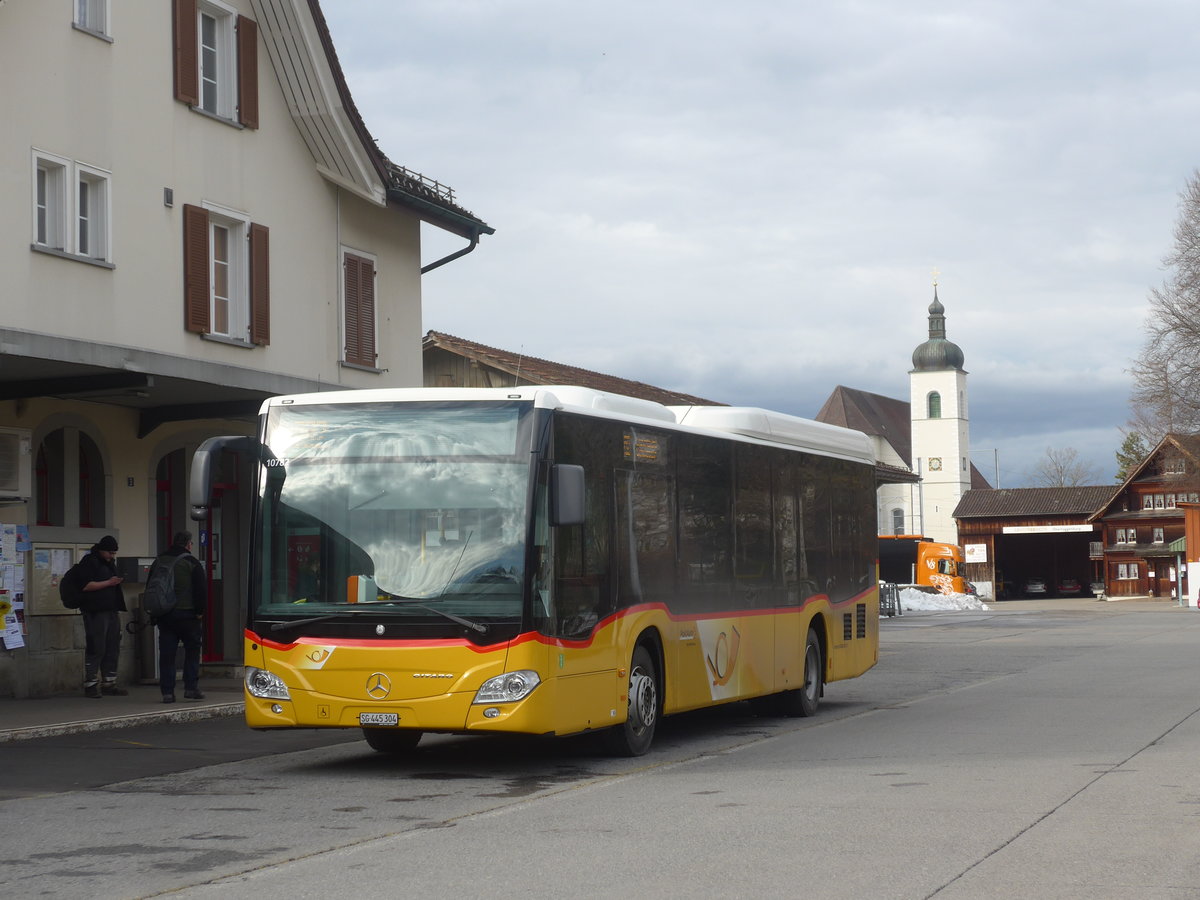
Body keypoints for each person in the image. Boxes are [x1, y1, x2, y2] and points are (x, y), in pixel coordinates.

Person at [153, 531, 207, 703]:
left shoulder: (159, 560)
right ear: (188, 544)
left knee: (167, 654)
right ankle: (191, 688)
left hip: (165, 615)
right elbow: (200, 590)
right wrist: (200, 612)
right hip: (188, 615)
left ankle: (167, 692)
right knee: (192, 651)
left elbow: (151, 587)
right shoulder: (192, 563)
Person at [78, 535, 127, 698]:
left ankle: (109, 682)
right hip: (95, 611)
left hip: (111, 609)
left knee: (112, 646)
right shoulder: (89, 562)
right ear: (101, 550)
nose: (112, 556)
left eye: (114, 553)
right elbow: (85, 585)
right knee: (96, 646)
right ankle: (91, 684)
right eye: (110, 553)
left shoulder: (109, 563)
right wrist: (109, 583)